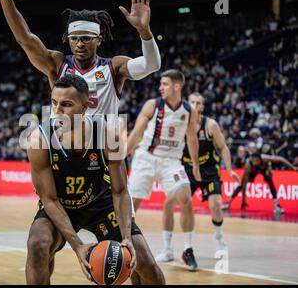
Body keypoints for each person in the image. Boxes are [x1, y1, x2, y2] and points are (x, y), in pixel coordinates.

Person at [26, 74, 165, 285]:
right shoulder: (38, 140)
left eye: (66, 104)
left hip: (101, 204)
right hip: (62, 206)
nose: (57, 111)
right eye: (54, 103)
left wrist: (126, 237)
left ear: (84, 107)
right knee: (38, 244)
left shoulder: (109, 137)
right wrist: (77, 245)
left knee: (145, 263)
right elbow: (49, 199)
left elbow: (119, 192)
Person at [0, 0, 161, 116]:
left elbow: (151, 65)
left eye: (86, 38)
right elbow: (26, 40)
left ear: (99, 40)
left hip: (100, 150)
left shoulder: (114, 67)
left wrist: (144, 32)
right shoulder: (57, 63)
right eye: (74, 38)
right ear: (68, 39)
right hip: (63, 147)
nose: (80, 44)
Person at [126, 69, 201, 271]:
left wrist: (194, 164)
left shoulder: (189, 110)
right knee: (131, 205)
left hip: (172, 163)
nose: (161, 87)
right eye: (161, 84)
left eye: (165, 84)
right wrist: (124, 154)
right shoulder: (153, 105)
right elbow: (137, 131)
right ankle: (122, 243)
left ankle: (187, 250)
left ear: (177, 86)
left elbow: (192, 139)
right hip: (146, 158)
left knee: (185, 196)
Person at [182, 92, 240, 256]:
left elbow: (223, 148)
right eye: (191, 101)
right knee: (181, 204)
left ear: (202, 107)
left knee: (215, 205)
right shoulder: (181, 123)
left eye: (197, 102)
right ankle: (183, 247)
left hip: (209, 170)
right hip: (188, 170)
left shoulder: (210, 125)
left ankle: (220, 242)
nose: (193, 105)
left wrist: (229, 170)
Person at [222, 150, 297, 213]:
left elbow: (280, 159)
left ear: (260, 159)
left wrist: (292, 167)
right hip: (253, 171)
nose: (254, 162)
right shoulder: (248, 166)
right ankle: (228, 203)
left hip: (264, 169)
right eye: (253, 160)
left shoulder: (265, 158)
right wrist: (243, 201)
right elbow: (244, 186)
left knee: (269, 180)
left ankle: (277, 205)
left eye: (256, 160)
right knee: (241, 185)